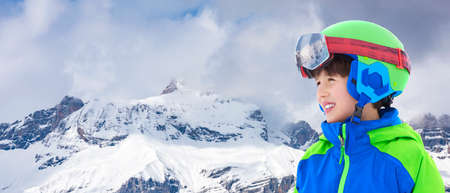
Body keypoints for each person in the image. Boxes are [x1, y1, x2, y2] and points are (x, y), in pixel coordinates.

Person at [293, 20, 444, 193]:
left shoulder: (408, 158)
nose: (321, 93)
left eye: (331, 80)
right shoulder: (312, 160)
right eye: (318, 83)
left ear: (372, 81)